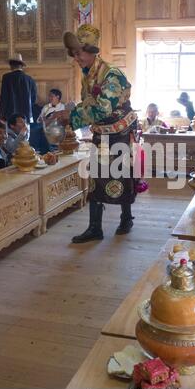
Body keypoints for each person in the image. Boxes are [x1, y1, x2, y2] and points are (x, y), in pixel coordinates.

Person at [54, 24, 139, 243]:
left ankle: (126, 218)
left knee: (122, 174)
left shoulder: (111, 75)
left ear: (91, 52)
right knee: (96, 176)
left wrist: (72, 116)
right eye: (73, 54)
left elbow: (103, 108)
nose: (76, 58)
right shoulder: (87, 74)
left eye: (79, 53)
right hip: (101, 132)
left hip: (120, 132)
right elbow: (89, 103)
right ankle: (95, 228)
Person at [0, 53, 37, 123]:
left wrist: (2, 114)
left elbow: (4, 97)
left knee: (10, 133)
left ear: (11, 65)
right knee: (25, 133)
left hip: (10, 115)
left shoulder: (6, 77)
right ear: (21, 65)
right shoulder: (29, 79)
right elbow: (33, 98)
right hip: (26, 115)